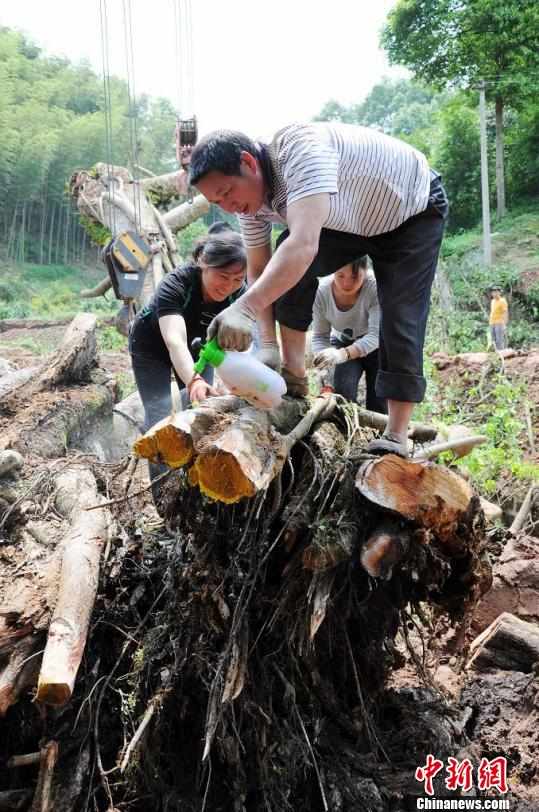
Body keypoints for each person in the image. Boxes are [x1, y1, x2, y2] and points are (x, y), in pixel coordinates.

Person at [188, 122, 448, 458]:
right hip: (351, 219)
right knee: (284, 266)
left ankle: (397, 434)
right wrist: (266, 343)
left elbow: (304, 244)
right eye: (216, 201)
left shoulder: (300, 151)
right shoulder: (249, 203)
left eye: (226, 193)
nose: (227, 206)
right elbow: (260, 267)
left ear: (248, 163)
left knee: (400, 315)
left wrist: (245, 309)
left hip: (411, 209)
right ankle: (294, 377)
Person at [129, 230, 247, 433]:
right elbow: (175, 340)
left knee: (202, 404)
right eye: (223, 276)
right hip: (151, 346)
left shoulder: (240, 294)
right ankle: (159, 460)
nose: (229, 286)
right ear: (203, 263)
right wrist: (194, 380)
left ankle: (192, 461)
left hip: (199, 347)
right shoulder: (176, 284)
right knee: (159, 413)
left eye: (237, 279)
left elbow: (237, 344)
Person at [311, 256, 387, 414]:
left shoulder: (374, 285)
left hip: (376, 347)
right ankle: (348, 432)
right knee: (343, 395)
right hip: (342, 343)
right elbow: (320, 336)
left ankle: (379, 434)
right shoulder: (322, 291)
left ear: (365, 271)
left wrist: (342, 355)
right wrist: (324, 361)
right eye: (340, 276)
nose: (347, 283)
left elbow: (375, 335)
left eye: (355, 277)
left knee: (379, 399)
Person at [489, 286, 509, 350]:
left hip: (499, 323)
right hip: (492, 322)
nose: (495, 294)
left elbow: (505, 313)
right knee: (493, 340)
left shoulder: (502, 301)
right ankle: (496, 354)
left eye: (496, 292)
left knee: (499, 340)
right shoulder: (492, 301)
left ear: (499, 293)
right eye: (493, 292)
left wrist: (504, 324)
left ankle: (502, 354)